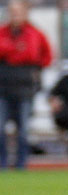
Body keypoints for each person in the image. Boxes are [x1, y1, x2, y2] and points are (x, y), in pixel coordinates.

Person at [0, 0, 52, 169]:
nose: (15, 15)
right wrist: (17, 51)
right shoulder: (2, 32)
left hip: (25, 89)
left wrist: (12, 54)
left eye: (18, 12)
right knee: (1, 128)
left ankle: (21, 164)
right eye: (12, 12)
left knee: (23, 130)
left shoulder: (35, 33)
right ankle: (3, 163)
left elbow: (45, 56)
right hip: (3, 88)